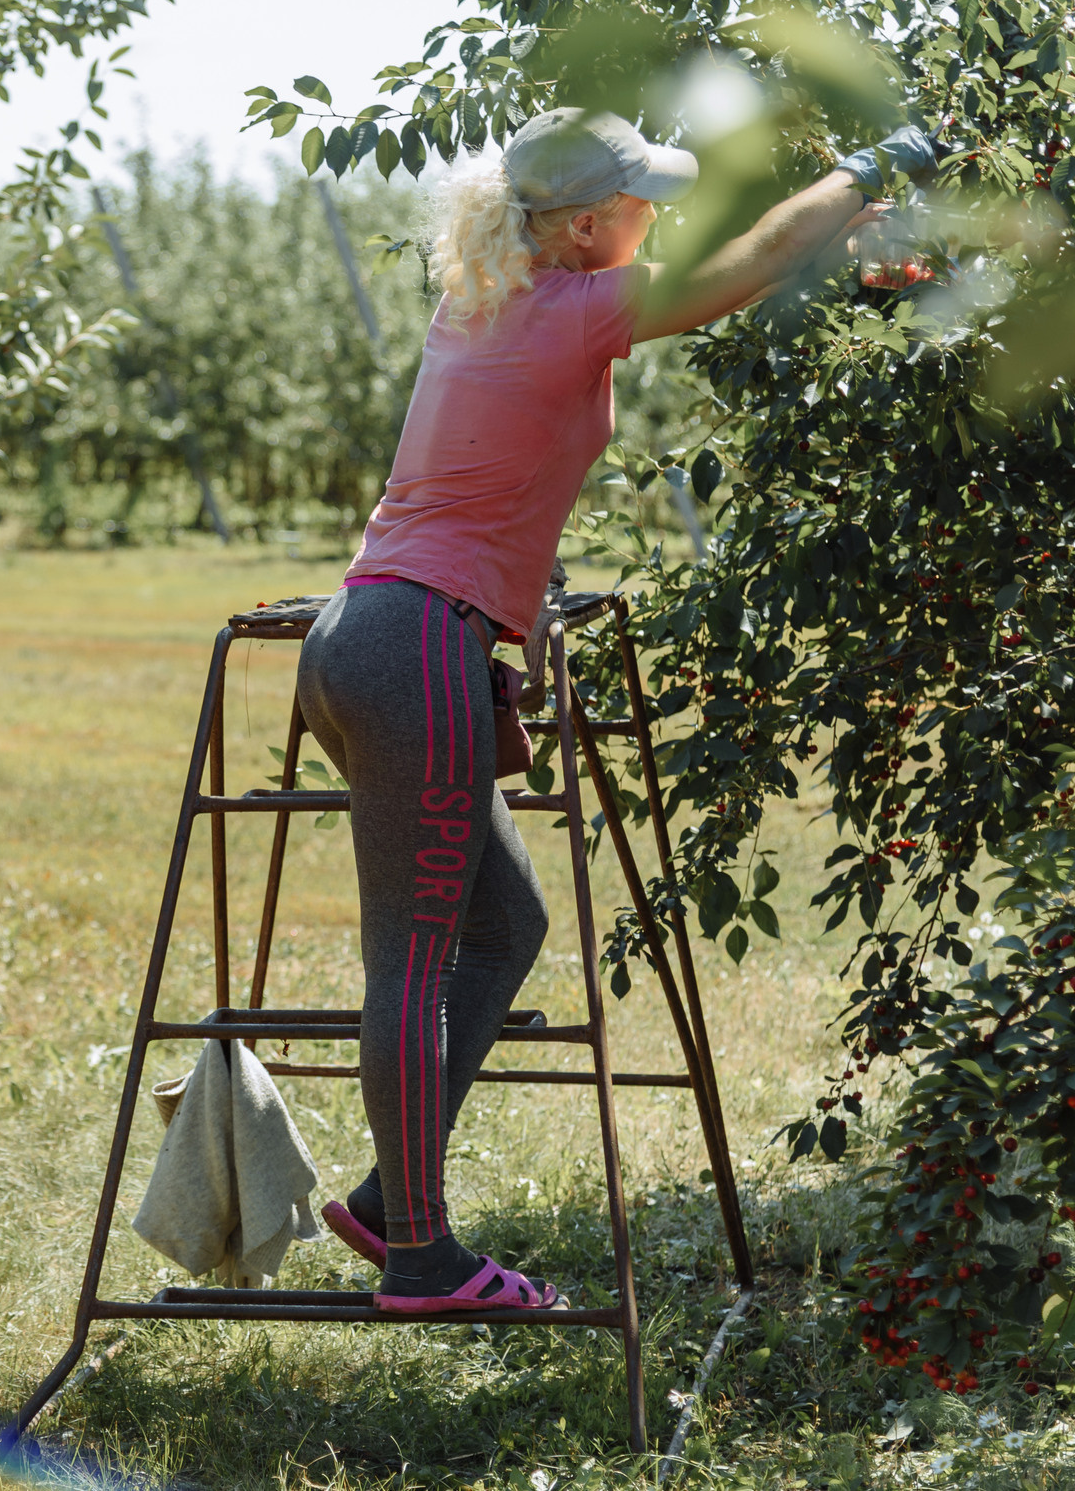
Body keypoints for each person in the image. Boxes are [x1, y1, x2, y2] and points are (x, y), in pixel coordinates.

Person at [303, 108, 937, 1312]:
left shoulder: (493, 299)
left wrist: (512, 602)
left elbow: (495, 467)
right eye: (642, 201)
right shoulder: (571, 306)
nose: (658, 218)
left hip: (380, 635)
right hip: (408, 648)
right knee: (417, 951)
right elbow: (747, 263)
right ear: (587, 225)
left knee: (503, 925)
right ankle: (425, 1266)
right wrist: (868, 167)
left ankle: (390, 1201)